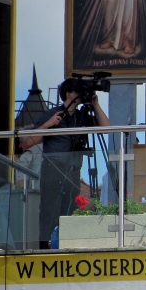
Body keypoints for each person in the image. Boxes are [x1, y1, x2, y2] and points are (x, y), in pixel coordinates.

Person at [30, 79, 110, 248]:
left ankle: (65, 245)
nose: (82, 95)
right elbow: (27, 141)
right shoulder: (53, 113)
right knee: (49, 211)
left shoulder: (81, 116)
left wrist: (95, 105)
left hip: (73, 171)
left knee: (69, 212)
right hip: (53, 169)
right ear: (69, 94)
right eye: (78, 92)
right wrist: (49, 124)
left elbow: (107, 128)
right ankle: (44, 248)